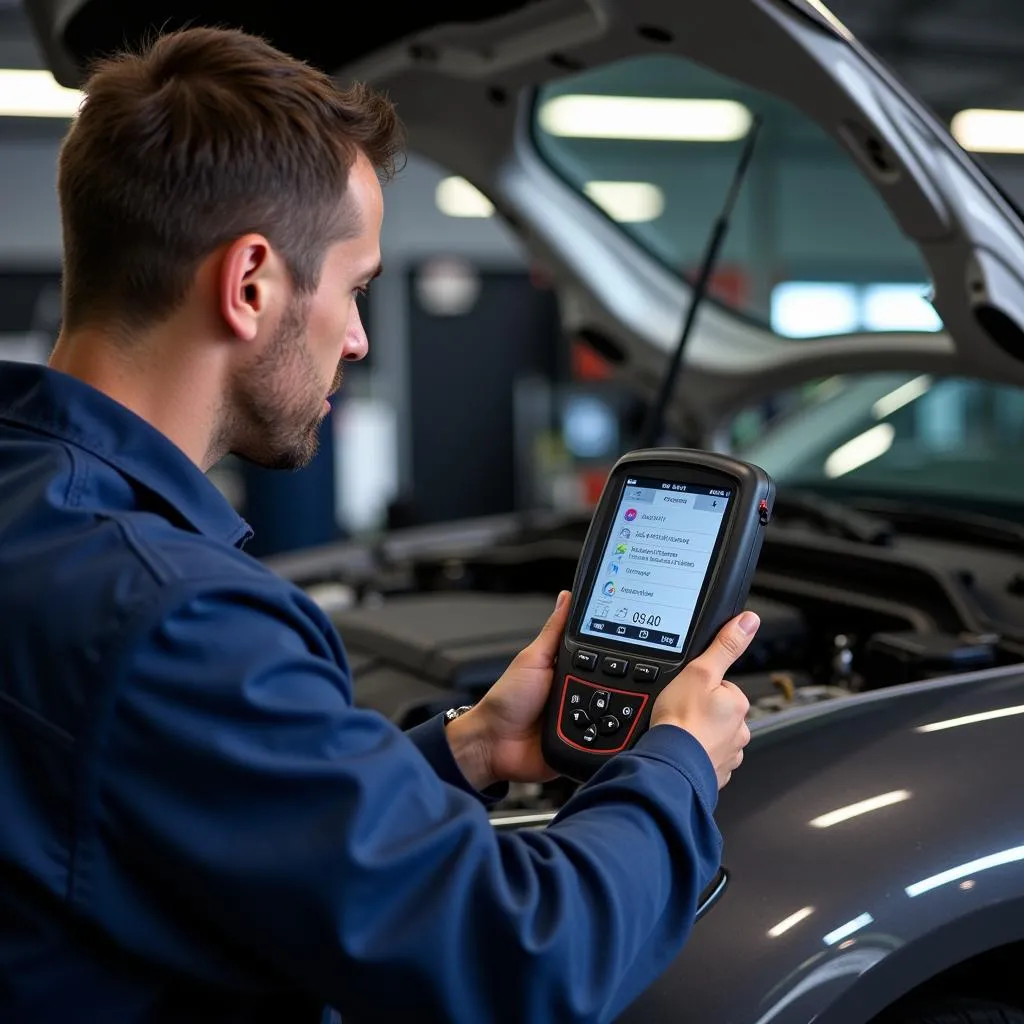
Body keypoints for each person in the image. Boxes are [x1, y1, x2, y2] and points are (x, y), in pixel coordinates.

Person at [0, 26, 756, 1024]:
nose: (357, 338)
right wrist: (678, 763)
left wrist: (468, 747)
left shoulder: (36, 506)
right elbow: (519, 959)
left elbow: (185, 799)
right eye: (356, 287)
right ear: (251, 283)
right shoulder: (173, 619)